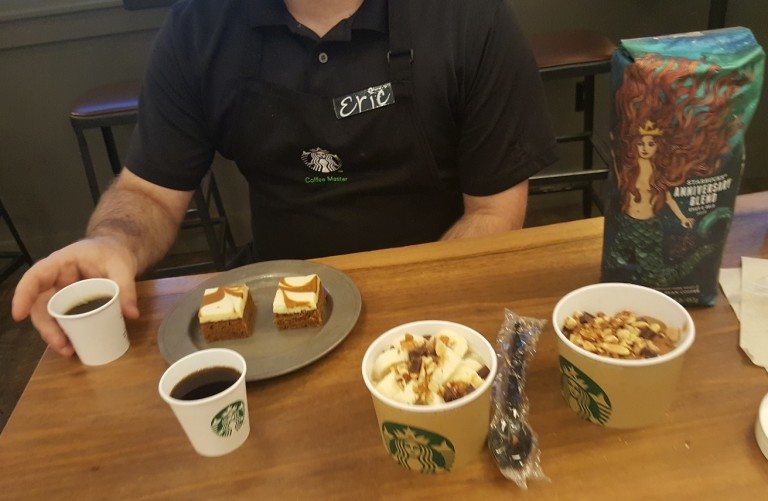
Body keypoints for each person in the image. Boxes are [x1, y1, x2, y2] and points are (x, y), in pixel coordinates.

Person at [12, 0, 557, 356]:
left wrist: (405, 320)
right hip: (280, 323)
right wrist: (112, 242)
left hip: (437, 306)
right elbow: (147, 192)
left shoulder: (468, 15)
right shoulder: (200, 26)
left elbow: (494, 211)